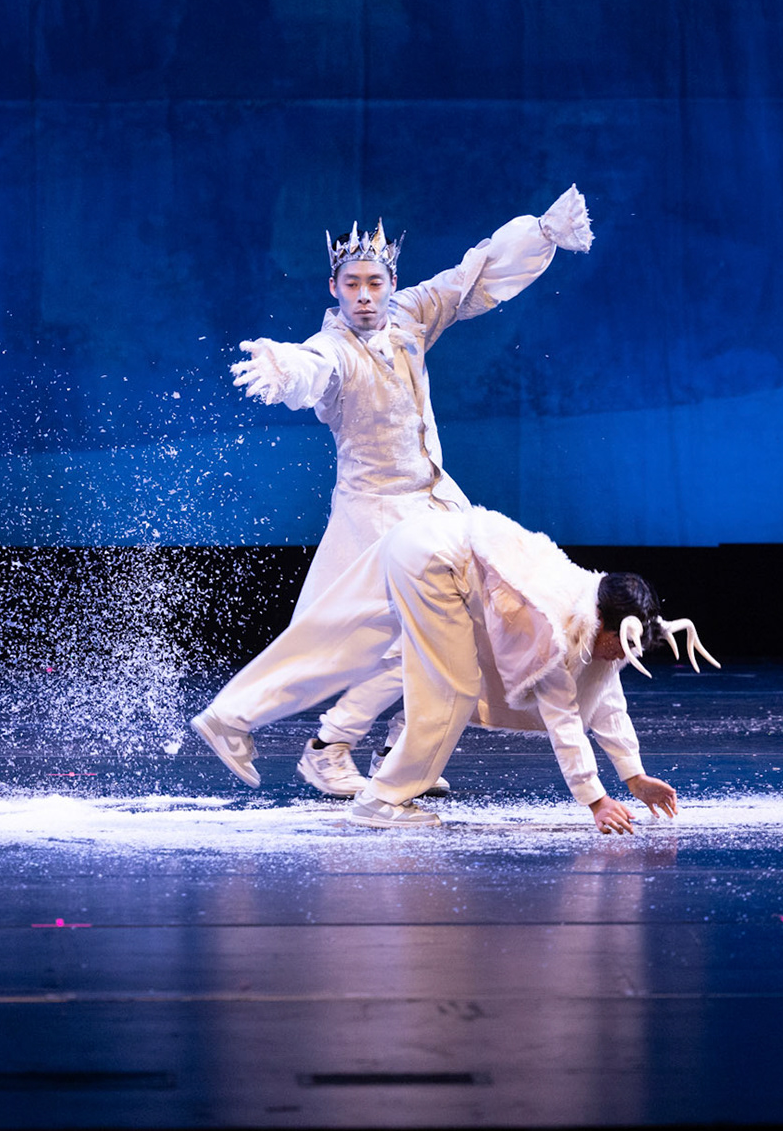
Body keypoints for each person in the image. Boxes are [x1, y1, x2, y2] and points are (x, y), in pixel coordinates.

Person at [230, 187, 593, 795]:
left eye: (375, 283)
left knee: (474, 629)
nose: (364, 296)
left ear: (391, 284)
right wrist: (283, 368)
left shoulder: (410, 315)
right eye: (352, 284)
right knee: (405, 640)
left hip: (434, 504)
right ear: (333, 288)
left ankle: (400, 749)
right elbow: (311, 366)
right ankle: (329, 746)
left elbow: (467, 277)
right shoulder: (334, 347)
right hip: (375, 517)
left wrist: (541, 233)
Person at [190, 505, 715, 829]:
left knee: (347, 640)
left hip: (419, 536)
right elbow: (565, 717)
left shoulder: (592, 608)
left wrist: (634, 775)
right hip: (436, 561)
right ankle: (383, 800)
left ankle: (229, 716)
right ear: (605, 625)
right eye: (619, 647)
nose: (620, 658)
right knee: (453, 691)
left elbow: (604, 696)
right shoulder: (556, 625)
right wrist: (597, 800)